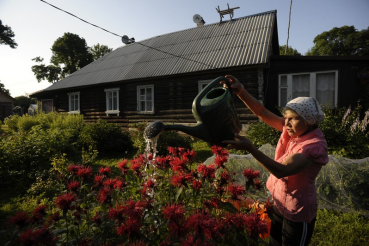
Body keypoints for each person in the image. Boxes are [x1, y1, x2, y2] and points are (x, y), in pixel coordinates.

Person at [221, 75, 329, 246]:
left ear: (309, 121)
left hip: (298, 212)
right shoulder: (292, 130)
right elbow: (262, 112)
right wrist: (241, 92)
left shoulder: (313, 146)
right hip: (278, 203)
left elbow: (282, 170)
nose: (286, 123)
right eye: (286, 117)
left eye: (292, 118)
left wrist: (250, 148)